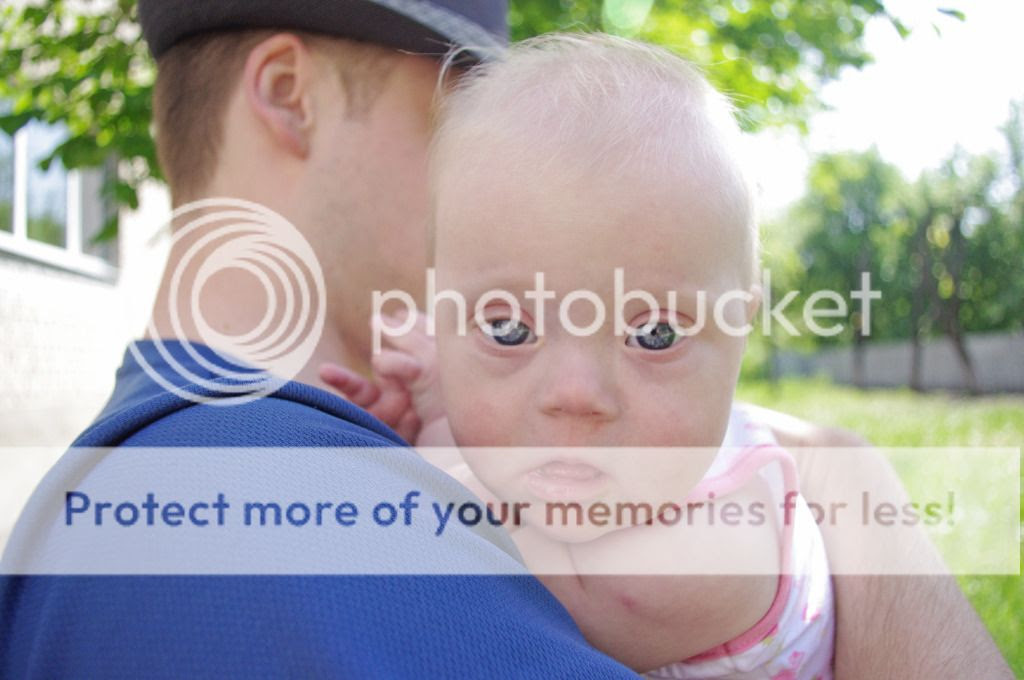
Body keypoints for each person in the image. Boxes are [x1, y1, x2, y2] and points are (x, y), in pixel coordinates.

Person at [0, 1, 1010, 678]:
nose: (533, 183)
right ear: (289, 95)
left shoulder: (122, 485)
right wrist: (851, 488)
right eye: (458, 116)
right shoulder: (259, 509)